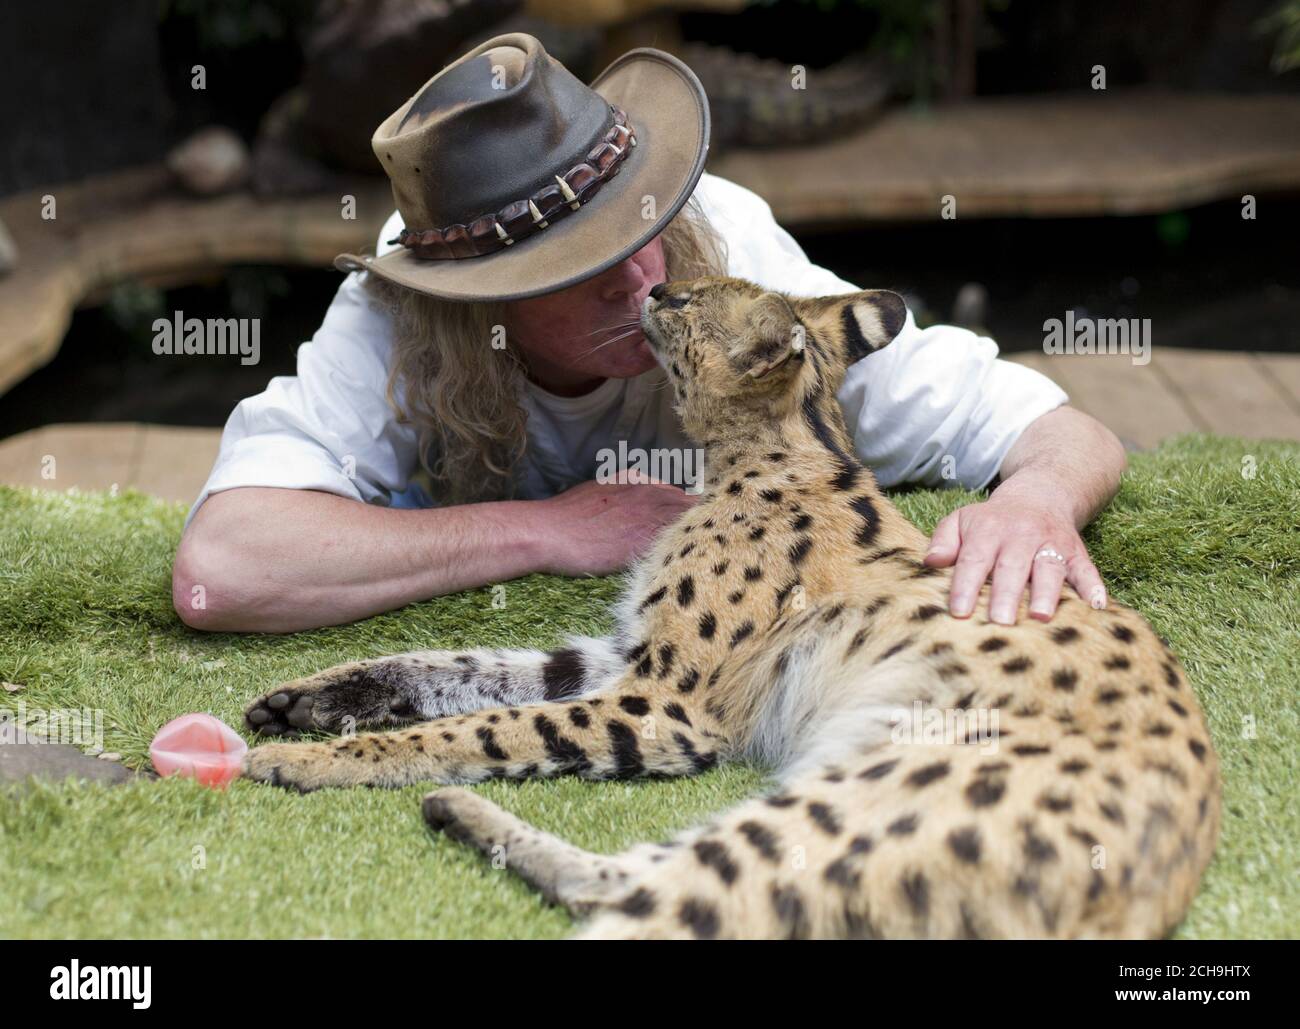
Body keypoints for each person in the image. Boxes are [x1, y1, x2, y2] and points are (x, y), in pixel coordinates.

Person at [173, 33, 1125, 635]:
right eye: (583, 269)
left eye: (642, 233)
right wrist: (550, 530)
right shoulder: (399, 314)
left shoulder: (731, 259)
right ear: (480, 299)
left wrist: (1035, 500)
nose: (643, 287)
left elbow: (1055, 425)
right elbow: (225, 565)